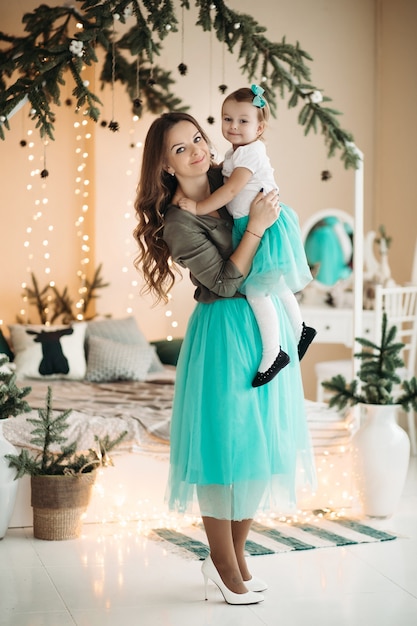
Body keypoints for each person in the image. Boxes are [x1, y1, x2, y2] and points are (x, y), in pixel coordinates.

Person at [133, 112, 315, 605]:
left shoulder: (231, 178)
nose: (195, 149)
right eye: (179, 148)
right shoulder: (178, 220)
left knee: (259, 446)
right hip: (223, 333)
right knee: (223, 450)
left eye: (197, 137)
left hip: (265, 326)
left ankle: (235, 560)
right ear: (165, 166)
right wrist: (255, 226)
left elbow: (273, 209)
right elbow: (225, 282)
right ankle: (222, 563)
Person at [178, 86, 316, 387]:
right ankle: (299, 330)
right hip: (252, 224)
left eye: (243, 121)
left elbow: (230, 190)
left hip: (262, 224)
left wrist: (198, 207)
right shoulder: (234, 153)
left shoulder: (251, 154)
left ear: (260, 127)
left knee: (257, 290)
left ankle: (274, 352)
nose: (233, 127)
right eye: (227, 119)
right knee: (274, 284)